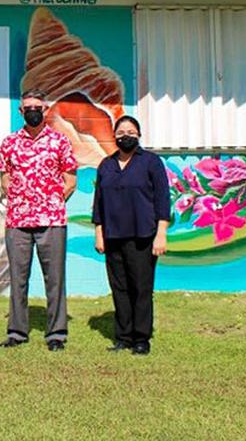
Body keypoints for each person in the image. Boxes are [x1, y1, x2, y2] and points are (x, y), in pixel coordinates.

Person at [0, 89, 78, 351]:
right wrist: (22, 199)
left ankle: (56, 334)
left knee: (54, 279)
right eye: (27, 107)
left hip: (52, 220)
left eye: (37, 107)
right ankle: (17, 332)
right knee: (18, 279)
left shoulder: (60, 142)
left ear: (45, 110)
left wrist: (49, 202)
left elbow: (71, 181)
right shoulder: (9, 143)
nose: (33, 111)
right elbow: (4, 179)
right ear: (21, 112)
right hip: (18, 221)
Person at [92, 115, 170, 355]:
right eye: (121, 131)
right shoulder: (106, 164)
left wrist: (161, 234)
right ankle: (123, 337)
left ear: (139, 135)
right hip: (113, 236)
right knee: (120, 288)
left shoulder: (151, 162)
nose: (125, 135)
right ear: (114, 136)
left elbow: (162, 199)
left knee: (141, 288)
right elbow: (99, 203)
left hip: (143, 237)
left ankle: (141, 338)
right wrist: (99, 233)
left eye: (130, 131)